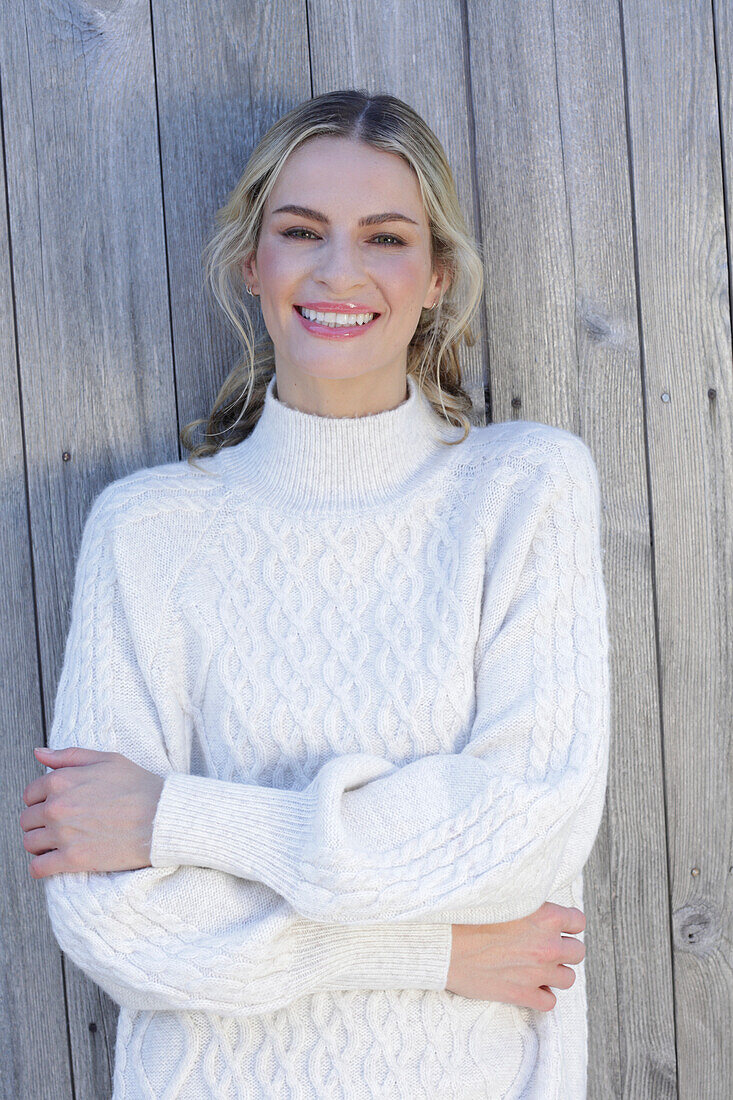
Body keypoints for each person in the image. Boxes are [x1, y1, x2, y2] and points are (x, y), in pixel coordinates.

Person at [20, 89, 610, 1098]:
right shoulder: (147, 530)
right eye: (302, 232)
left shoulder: (523, 491)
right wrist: (432, 951)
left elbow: (525, 827)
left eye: (384, 237)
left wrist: (177, 816)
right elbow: (110, 918)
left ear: (436, 276)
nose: (339, 271)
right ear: (254, 260)